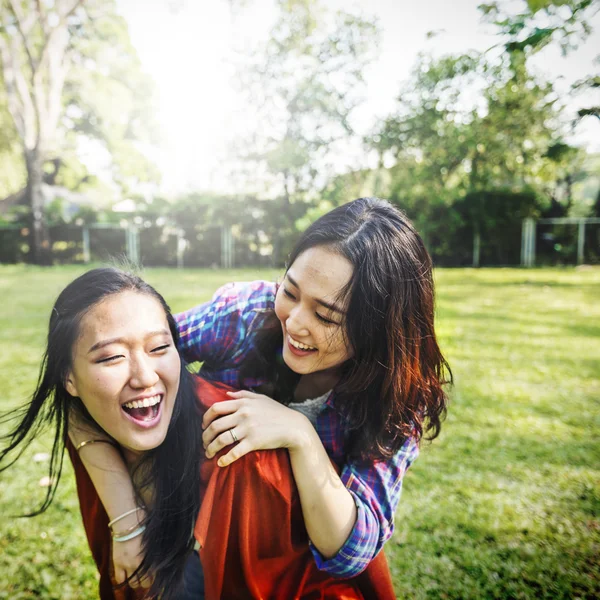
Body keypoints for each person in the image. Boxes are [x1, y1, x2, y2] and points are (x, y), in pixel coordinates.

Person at [70, 197, 452, 598]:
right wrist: (127, 523)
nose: (295, 322)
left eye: (326, 316)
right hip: (193, 533)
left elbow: (352, 550)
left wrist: (300, 436)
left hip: (290, 571)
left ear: (377, 329)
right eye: (290, 291)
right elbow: (107, 387)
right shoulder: (246, 315)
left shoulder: (398, 399)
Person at [0, 267, 204, 600]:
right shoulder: (91, 423)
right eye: (112, 357)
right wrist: (126, 520)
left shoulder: (235, 451)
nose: (145, 377)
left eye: (158, 348)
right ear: (70, 380)